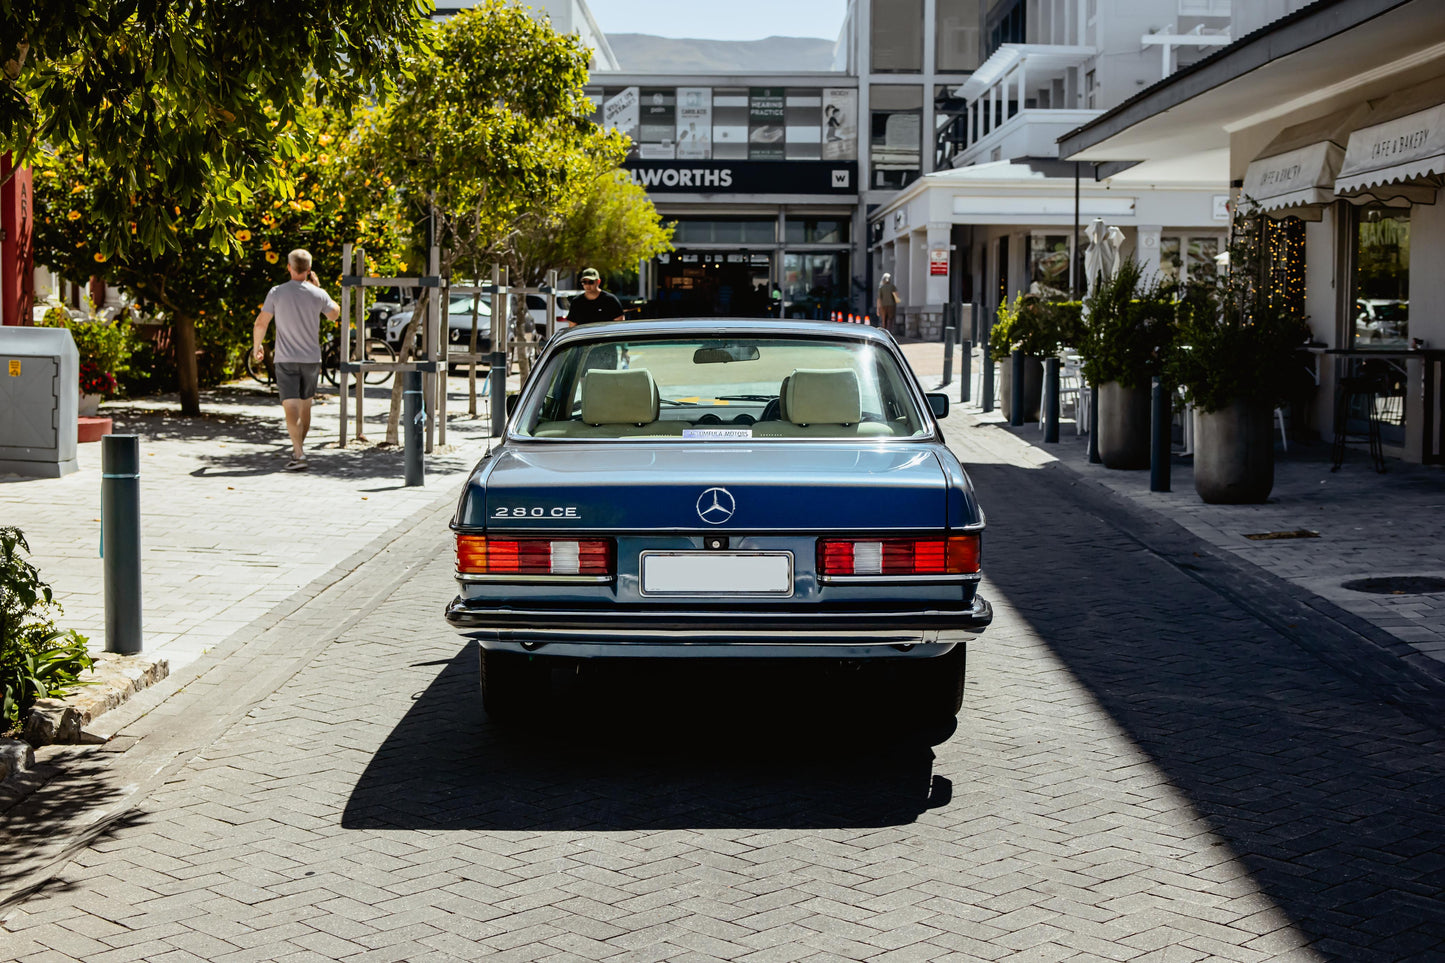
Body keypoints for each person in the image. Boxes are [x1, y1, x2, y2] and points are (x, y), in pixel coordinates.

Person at [252, 249, 340, 471]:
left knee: (291, 407)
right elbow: (334, 314)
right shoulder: (317, 294)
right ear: (309, 270)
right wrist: (319, 290)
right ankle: (298, 450)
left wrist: (257, 347)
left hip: (286, 359)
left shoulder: (276, 292)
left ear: (289, 267)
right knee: (305, 407)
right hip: (311, 359)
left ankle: (299, 454)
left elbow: (261, 323)